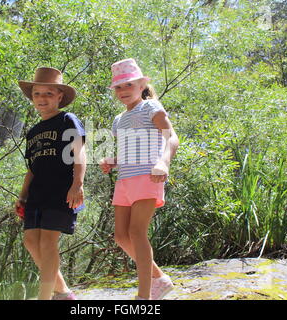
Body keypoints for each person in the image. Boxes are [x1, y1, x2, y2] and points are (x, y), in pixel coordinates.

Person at [99, 58, 179, 300]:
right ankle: (159, 279)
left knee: (136, 233)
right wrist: (113, 160)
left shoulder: (151, 107)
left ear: (142, 86)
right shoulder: (118, 120)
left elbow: (172, 138)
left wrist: (163, 162)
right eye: (119, 87)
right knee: (121, 236)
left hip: (148, 177)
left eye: (129, 85)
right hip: (124, 181)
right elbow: (129, 150)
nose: (123, 91)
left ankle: (144, 296)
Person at [15, 67, 86, 300]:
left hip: (61, 190)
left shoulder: (67, 120)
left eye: (48, 94)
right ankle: (63, 292)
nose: (42, 99)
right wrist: (22, 195)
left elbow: (80, 153)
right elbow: (32, 169)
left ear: (59, 97)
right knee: (30, 241)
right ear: (32, 97)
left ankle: (45, 296)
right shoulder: (33, 132)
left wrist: (78, 184)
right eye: (37, 94)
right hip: (36, 194)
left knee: (48, 242)